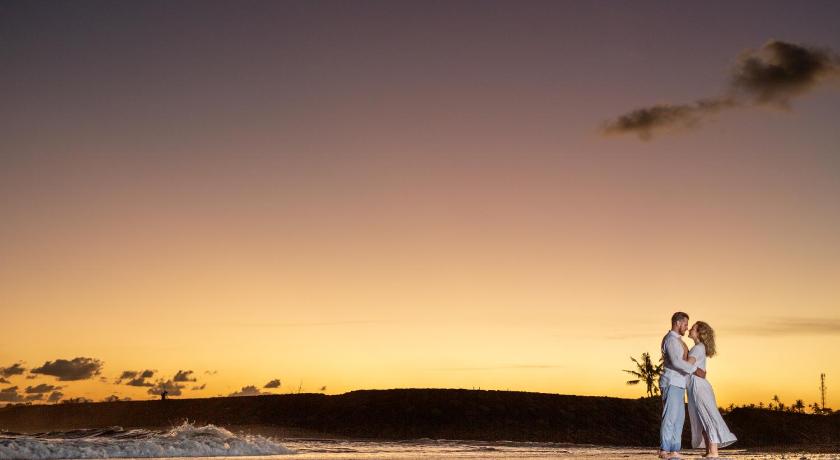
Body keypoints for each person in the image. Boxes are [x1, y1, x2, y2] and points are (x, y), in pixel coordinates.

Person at [659, 312, 706, 459]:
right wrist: (695, 370)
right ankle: (664, 450)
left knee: (679, 417)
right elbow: (676, 362)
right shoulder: (671, 340)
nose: (686, 328)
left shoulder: (678, 340)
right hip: (671, 381)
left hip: (679, 383)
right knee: (670, 416)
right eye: (685, 324)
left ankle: (674, 450)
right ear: (678, 323)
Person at [686, 321, 737, 457]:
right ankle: (709, 450)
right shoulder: (699, 347)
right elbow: (696, 368)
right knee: (702, 417)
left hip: (699, 386)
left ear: (699, 333)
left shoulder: (697, 348)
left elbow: (687, 365)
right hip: (697, 385)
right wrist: (698, 370)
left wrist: (694, 368)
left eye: (693, 328)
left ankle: (713, 451)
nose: (689, 329)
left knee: (707, 416)